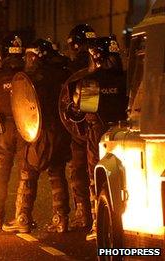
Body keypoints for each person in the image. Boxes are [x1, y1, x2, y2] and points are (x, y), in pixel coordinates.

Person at [2, 39, 71, 233]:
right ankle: (61, 218)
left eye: (29, 56)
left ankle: (23, 217)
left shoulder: (32, 78)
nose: (27, 59)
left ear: (35, 56)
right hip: (61, 131)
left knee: (28, 170)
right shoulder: (63, 74)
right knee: (57, 173)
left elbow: (26, 106)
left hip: (40, 132)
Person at [72, 36, 127, 241]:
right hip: (124, 134)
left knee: (97, 179)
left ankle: (98, 223)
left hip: (98, 136)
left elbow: (81, 109)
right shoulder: (126, 79)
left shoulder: (91, 81)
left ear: (95, 57)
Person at [0, 34, 26, 230]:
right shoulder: (28, 75)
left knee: (1, 173)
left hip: (2, 128)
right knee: (25, 173)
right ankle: (22, 216)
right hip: (25, 128)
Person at [64, 24, 97, 230]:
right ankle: (98, 215)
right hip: (101, 126)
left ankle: (84, 215)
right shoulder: (103, 65)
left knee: (79, 171)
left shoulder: (73, 69)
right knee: (95, 170)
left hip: (79, 128)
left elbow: (69, 101)